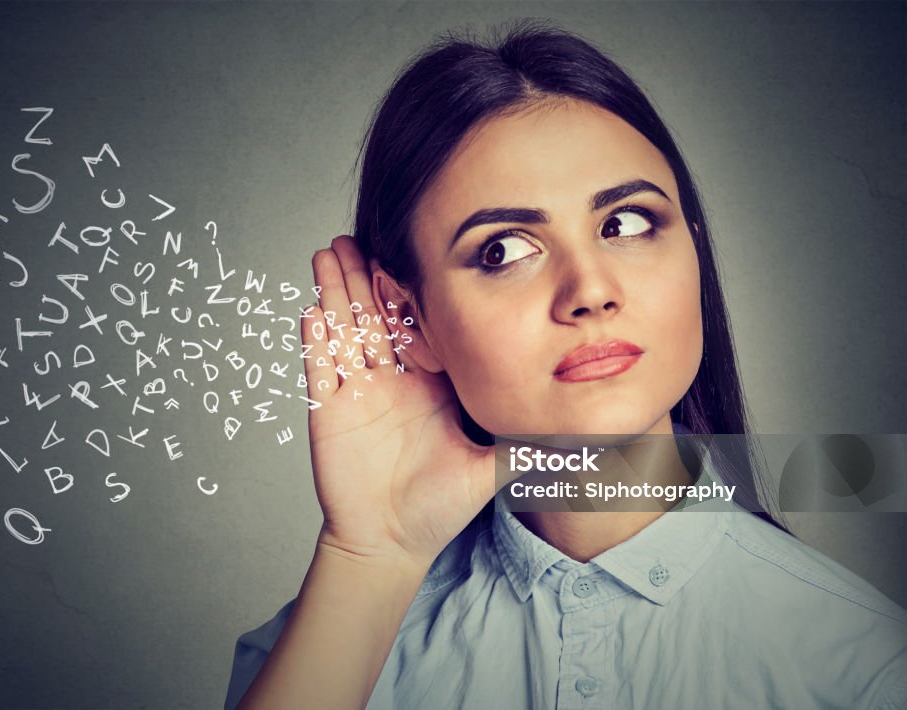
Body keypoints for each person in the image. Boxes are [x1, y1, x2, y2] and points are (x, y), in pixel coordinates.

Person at [225, 22, 907, 710]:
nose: (589, 291)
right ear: (412, 320)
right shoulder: (319, 654)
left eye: (627, 224)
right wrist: (374, 557)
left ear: (693, 257)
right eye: (503, 251)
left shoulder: (867, 669)